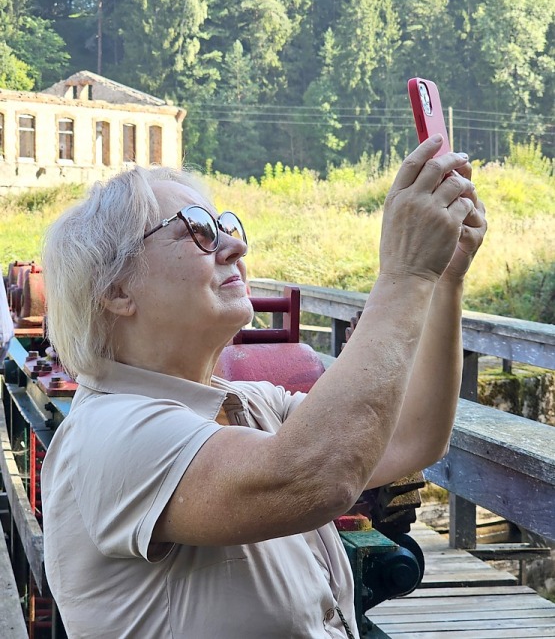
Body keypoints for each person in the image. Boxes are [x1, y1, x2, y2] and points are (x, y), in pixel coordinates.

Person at [41, 134, 486, 638]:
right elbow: (315, 476)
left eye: (227, 225)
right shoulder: (109, 432)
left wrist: (444, 277)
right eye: (199, 230)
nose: (237, 245)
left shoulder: (247, 404)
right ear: (117, 289)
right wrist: (405, 274)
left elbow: (409, 435)